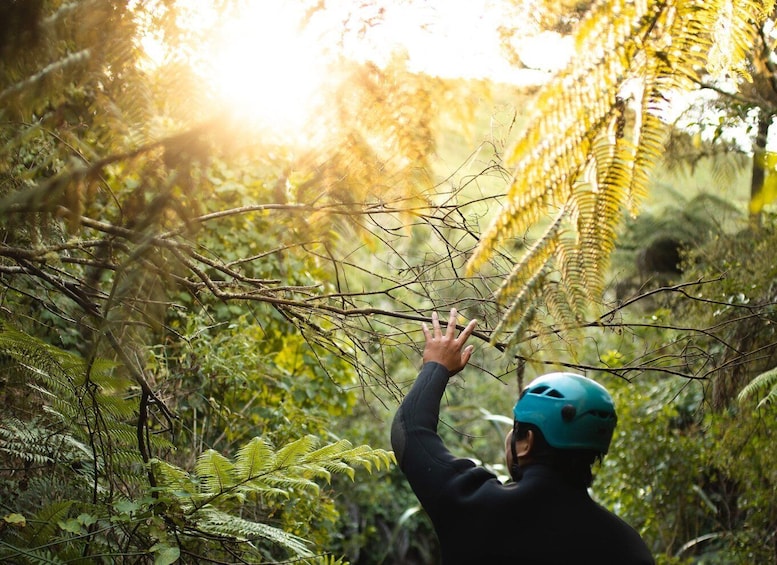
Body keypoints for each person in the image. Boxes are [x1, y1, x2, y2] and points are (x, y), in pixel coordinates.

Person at [391, 309, 654, 564]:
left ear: (527, 442)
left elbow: (409, 431)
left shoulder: (475, 507)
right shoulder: (627, 547)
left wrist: (437, 366)